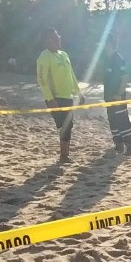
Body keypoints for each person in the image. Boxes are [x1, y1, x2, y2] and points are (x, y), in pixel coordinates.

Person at [36, 28, 84, 163]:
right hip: (55, 98)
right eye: (54, 38)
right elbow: (42, 79)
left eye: (58, 37)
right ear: (47, 41)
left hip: (68, 96)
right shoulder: (44, 57)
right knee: (64, 125)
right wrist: (50, 98)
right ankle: (64, 155)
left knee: (68, 125)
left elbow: (72, 75)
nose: (58, 40)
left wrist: (78, 93)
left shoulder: (64, 55)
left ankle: (65, 154)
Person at [102, 37, 131, 155]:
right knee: (113, 121)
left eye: (105, 43)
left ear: (111, 44)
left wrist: (119, 94)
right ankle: (119, 144)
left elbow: (125, 77)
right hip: (109, 97)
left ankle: (130, 146)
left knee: (123, 121)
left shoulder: (118, 59)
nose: (104, 46)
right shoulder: (108, 59)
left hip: (117, 97)